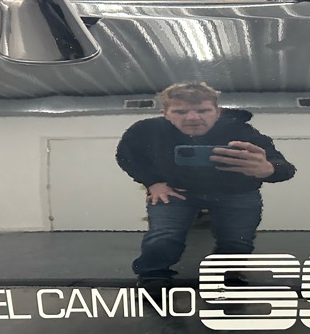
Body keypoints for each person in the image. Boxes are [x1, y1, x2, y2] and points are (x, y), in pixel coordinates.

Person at [116, 82, 296, 291]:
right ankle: (153, 276)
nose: (193, 117)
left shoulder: (242, 131)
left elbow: (285, 168)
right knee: (163, 236)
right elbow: (126, 156)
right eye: (180, 112)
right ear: (165, 113)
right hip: (176, 191)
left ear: (217, 112)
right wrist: (152, 182)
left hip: (237, 192)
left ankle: (224, 273)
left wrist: (268, 169)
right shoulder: (145, 130)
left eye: (202, 111)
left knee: (237, 241)